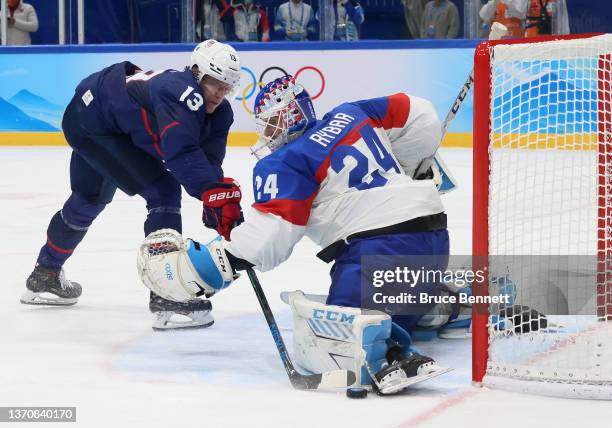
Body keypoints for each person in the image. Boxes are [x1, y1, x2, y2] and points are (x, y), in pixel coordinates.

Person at [137, 75, 452, 394]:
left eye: (271, 123)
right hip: (436, 238)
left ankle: (396, 357)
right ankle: (441, 305)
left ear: (289, 115)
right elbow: (421, 115)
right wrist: (411, 167)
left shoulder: (286, 160)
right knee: (388, 306)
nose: (269, 134)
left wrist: (208, 265)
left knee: (338, 337)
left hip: (380, 255)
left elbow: (271, 237)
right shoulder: (352, 113)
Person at [22, 40, 244, 331]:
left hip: (99, 116)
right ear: (197, 73)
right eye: (216, 83)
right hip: (91, 120)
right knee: (163, 191)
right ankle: (167, 295)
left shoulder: (220, 112)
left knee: (88, 198)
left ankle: (45, 273)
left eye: (228, 86)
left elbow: (207, 160)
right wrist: (211, 192)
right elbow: (180, 154)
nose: (221, 93)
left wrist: (214, 193)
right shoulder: (181, 92)